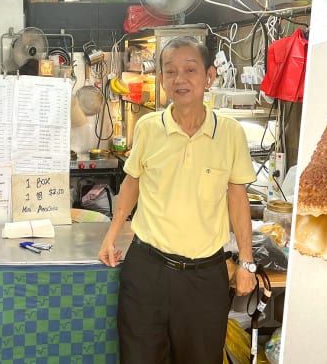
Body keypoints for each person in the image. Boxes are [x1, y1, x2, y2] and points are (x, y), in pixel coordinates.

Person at [99, 36, 257, 364]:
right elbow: (132, 183)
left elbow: (237, 198)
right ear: (162, 79)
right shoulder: (147, 127)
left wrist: (246, 261)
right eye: (170, 71)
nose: (179, 79)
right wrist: (111, 235)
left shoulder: (229, 133)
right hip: (147, 271)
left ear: (209, 76)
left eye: (190, 69)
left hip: (205, 276)